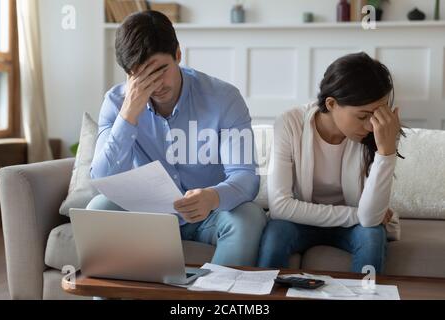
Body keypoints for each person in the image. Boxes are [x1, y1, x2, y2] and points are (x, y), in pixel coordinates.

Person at [88, 11, 266, 267]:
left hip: (208, 215)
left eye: (161, 70)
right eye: (142, 76)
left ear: (178, 55)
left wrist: (213, 197)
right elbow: (101, 179)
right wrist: (128, 115)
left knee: (248, 217)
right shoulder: (116, 102)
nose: (156, 84)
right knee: (98, 208)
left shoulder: (224, 98)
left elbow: (246, 177)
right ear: (128, 75)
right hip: (147, 215)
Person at [258, 52, 403, 273]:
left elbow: (371, 219)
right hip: (301, 222)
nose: (371, 126)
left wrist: (386, 152)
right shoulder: (290, 123)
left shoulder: (381, 132)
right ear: (331, 103)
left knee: (372, 237)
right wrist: (356, 214)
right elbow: (280, 207)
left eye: (377, 114)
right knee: (276, 234)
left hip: (355, 227)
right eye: (363, 116)